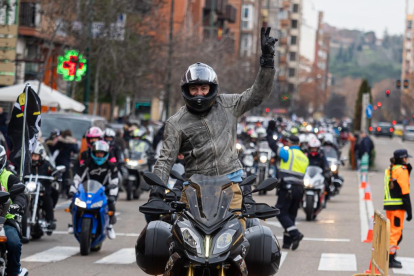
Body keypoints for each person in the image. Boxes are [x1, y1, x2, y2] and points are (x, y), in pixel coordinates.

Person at [151, 27, 277, 230]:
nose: (199, 93)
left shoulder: (229, 105)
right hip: (194, 190)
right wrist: (156, 192)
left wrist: (267, 61)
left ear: (212, 88)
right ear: (186, 90)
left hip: (231, 187)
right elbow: (165, 160)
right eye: (194, 88)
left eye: (204, 88)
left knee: (238, 238)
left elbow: (257, 94)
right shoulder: (176, 122)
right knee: (179, 238)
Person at [69, 141, 119, 239]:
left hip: (104, 192)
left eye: (101, 153)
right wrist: (72, 190)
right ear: (93, 153)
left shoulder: (111, 167)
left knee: (111, 206)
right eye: (97, 153)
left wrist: (112, 194)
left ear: (105, 154)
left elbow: (114, 182)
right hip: (87, 191)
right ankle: (73, 224)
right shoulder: (86, 164)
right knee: (73, 204)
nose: (99, 155)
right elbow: (77, 178)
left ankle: (109, 226)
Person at [267, 134, 309, 250]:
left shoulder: (288, 153)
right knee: (291, 215)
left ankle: (295, 234)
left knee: (280, 211)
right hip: (299, 189)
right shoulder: (304, 157)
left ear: (289, 143)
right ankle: (287, 243)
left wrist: (270, 132)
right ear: (299, 144)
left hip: (287, 188)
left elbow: (272, 146)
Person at [0, 146, 28, 276]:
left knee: (13, 243)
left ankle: (14, 272)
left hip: (5, 220)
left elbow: (21, 194)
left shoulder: (9, 177)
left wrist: (17, 205)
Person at [384, 149, 412, 268]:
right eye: (406, 158)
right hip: (398, 208)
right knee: (396, 234)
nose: (408, 160)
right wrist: (410, 211)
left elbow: (395, 187)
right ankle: (390, 259)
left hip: (389, 207)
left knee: (392, 233)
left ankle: (390, 257)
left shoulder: (390, 170)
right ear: (403, 159)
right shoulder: (402, 171)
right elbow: (405, 192)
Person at [30, 143, 59, 231]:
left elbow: (54, 171)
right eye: (32, 155)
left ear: (41, 156)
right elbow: (19, 171)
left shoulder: (46, 165)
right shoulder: (27, 164)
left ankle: (50, 220)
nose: (33, 158)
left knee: (48, 200)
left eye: (36, 156)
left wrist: (56, 175)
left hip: (43, 189)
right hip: (30, 189)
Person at [306, 138, 331, 202]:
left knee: (326, 184)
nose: (313, 150)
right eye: (312, 148)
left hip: (318, 175)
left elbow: (326, 164)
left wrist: (327, 170)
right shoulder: (306, 156)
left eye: (315, 148)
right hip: (307, 176)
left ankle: (326, 198)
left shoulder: (321, 156)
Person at [54, 130, 78, 196]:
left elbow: (54, 148)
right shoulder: (72, 142)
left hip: (59, 160)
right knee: (65, 176)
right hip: (66, 161)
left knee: (57, 175)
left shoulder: (60, 140)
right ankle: (63, 191)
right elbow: (76, 151)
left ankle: (57, 188)